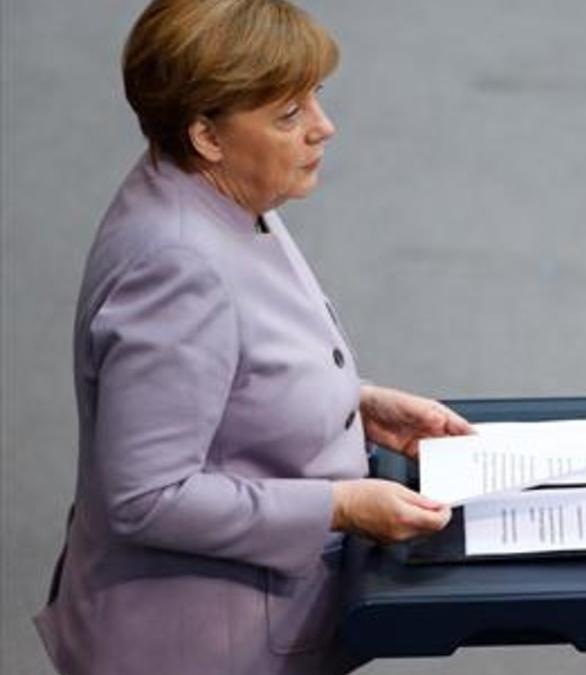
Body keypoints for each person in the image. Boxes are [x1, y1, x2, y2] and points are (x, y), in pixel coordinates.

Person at [33, 1, 472, 672]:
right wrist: (343, 503)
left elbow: (228, 369)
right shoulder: (176, 264)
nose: (323, 127)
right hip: (190, 645)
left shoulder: (215, 192)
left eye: (314, 98)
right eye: (287, 115)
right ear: (207, 133)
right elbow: (147, 496)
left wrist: (356, 401)